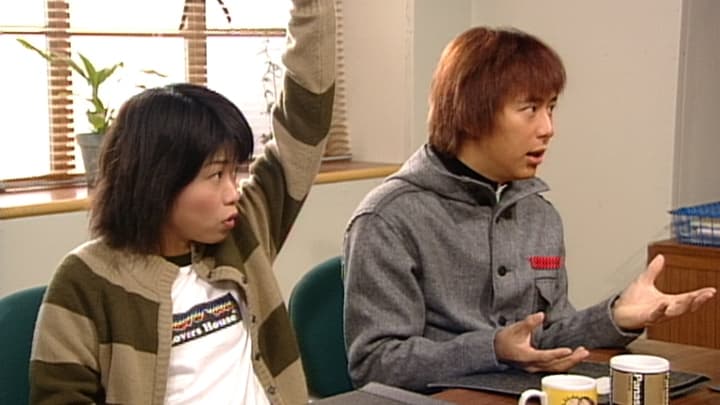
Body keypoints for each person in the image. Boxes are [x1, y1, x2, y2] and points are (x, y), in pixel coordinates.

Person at [342, 26, 716, 393]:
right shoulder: (388, 219)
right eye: (530, 109)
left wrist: (616, 316)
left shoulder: (539, 215)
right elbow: (375, 363)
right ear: (472, 114)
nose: (548, 128)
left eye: (551, 108)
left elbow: (547, 337)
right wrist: (492, 349)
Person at [29, 0, 335, 403]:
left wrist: (312, 8)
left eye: (235, 173)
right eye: (216, 175)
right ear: (159, 183)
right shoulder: (87, 279)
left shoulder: (244, 233)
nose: (233, 192)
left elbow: (306, 119)